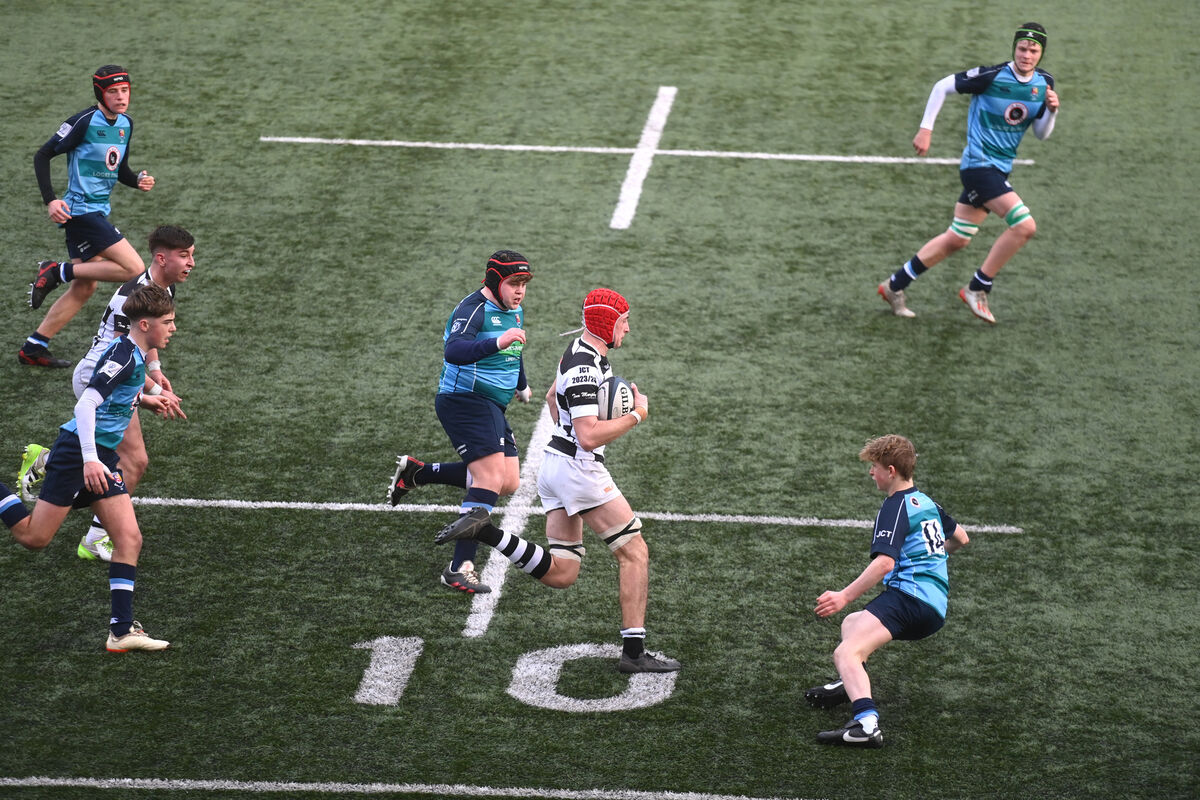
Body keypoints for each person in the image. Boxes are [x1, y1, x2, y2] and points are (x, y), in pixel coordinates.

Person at [435, 288, 681, 674]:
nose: (628, 330)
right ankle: (634, 653)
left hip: (557, 465)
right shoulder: (586, 368)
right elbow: (588, 435)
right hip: (579, 469)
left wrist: (568, 432)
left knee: (563, 573)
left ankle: (486, 532)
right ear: (606, 324)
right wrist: (638, 415)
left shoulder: (581, 353)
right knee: (635, 552)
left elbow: (552, 397)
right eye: (624, 322)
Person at [0, 284, 179, 652]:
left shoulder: (131, 350)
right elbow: (86, 406)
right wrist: (90, 459)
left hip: (104, 454)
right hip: (78, 454)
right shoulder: (126, 357)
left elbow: (118, 396)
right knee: (35, 538)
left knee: (129, 539)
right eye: (168, 321)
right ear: (145, 324)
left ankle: (121, 631)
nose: (173, 328)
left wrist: (146, 401)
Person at [19, 226, 194, 561]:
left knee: (129, 460)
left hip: (115, 375)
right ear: (161, 258)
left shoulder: (161, 288)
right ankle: (97, 536)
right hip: (99, 377)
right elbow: (120, 356)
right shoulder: (133, 295)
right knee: (135, 461)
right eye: (185, 255)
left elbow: (142, 345)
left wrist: (155, 372)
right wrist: (153, 389)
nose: (192, 263)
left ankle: (48, 462)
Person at [877, 23, 1058, 324]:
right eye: (1022, 48)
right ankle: (978, 287)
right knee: (1025, 226)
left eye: (1033, 50)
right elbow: (942, 86)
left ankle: (894, 285)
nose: (1026, 55)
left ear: (1041, 54)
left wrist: (1051, 110)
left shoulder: (1044, 83)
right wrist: (925, 129)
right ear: (1014, 48)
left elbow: (1041, 134)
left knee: (957, 238)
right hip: (978, 165)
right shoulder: (991, 76)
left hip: (999, 169)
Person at [804, 434, 969, 747]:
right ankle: (849, 682)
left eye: (875, 467)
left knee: (846, 651)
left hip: (910, 599)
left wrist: (843, 595)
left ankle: (866, 726)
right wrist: (932, 557)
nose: (871, 473)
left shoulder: (894, 507)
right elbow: (961, 538)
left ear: (891, 471)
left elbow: (884, 565)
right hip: (934, 606)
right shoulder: (928, 503)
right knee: (851, 624)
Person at [387, 251, 535, 593]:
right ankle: (459, 565)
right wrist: (500, 340)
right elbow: (454, 350)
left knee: (509, 481)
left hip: (492, 406)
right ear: (496, 281)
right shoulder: (473, 309)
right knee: (488, 477)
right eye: (514, 284)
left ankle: (417, 473)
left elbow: (514, 348)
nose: (519, 292)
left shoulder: (512, 309)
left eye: (524, 285)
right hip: (464, 401)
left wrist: (521, 383)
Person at [19, 65, 155, 368]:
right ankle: (57, 270)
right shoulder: (82, 121)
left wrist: (138, 180)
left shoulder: (125, 124)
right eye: (113, 91)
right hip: (80, 211)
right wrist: (51, 200)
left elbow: (119, 169)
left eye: (125, 90)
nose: (121, 97)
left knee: (85, 286)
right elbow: (42, 155)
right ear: (100, 94)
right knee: (133, 267)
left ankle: (34, 346)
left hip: (97, 211)